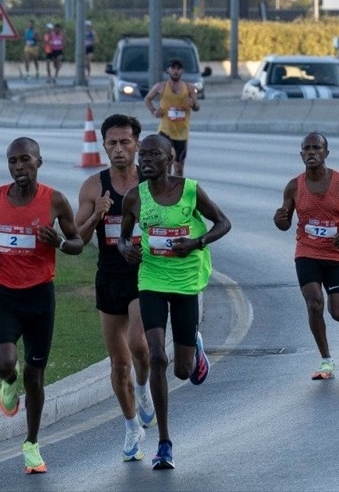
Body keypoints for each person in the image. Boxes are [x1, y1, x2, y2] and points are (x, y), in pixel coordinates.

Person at [118, 134, 232, 471]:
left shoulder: (191, 190)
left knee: (182, 370)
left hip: (185, 282)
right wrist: (126, 250)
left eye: (154, 154)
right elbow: (122, 238)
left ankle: (194, 344)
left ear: (170, 158)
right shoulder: (134, 197)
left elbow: (223, 223)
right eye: (143, 155)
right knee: (157, 357)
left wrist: (197, 242)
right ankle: (164, 443)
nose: (145, 160)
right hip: (151, 280)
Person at [0, 137, 84, 475]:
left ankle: (32, 444)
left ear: (39, 162)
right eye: (13, 161)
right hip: (6, 295)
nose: (19, 166)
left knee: (35, 378)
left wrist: (60, 242)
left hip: (40, 299)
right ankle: (9, 381)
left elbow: (78, 242)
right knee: (3, 363)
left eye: (25, 159)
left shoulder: (55, 201)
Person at [73, 113, 155, 461]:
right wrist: (97, 214)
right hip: (109, 277)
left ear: (137, 144)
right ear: (104, 145)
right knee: (119, 365)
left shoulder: (152, 183)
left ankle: (144, 386)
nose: (119, 149)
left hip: (145, 275)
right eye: (112, 143)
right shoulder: (94, 187)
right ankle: (131, 426)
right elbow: (76, 239)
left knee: (138, 344)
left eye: (125, 142)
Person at [273, 132, 339, 381]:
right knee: (313, 302)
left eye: (316, 148)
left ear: (326, 153)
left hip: (335, 253)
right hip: (306, 251)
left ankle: (333, 296)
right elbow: (284, 224)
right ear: (301, 154)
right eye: (307, 148)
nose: (311, 152)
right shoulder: (294, 186)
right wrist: (279, 219)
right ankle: (326, 360)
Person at [143, 59, 199, 177]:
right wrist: (154, 111)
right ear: (168, 70)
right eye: (173, 68)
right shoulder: (161, 86)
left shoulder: (189, 88)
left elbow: (197, 107)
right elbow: (147, 99)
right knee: (168, 161)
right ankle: (165, 186)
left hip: (182, 133)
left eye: (178, 68)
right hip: (165, 131)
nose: (175, 71)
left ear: (182, 71)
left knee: (179, 168)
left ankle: (176, 187)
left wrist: (193, 104)